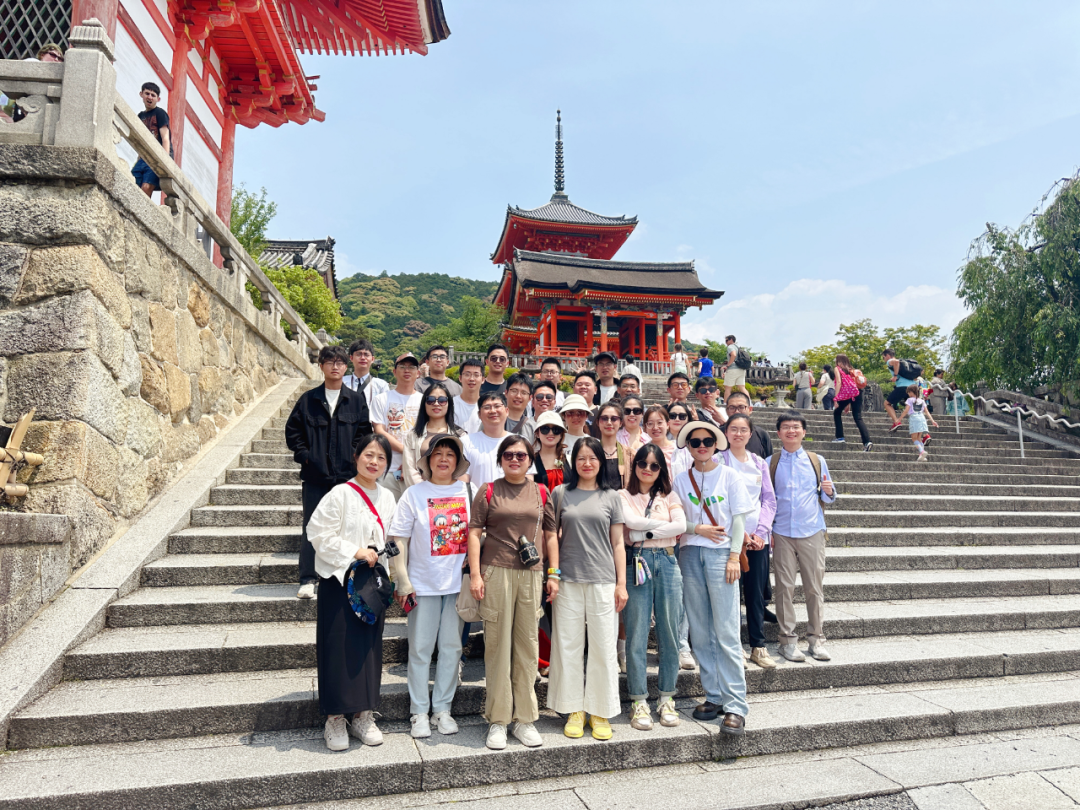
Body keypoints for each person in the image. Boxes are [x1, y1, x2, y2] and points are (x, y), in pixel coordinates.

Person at [306, 433, 396, 751]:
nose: (374, 462)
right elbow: (317, 532)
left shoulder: (387, 497)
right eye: (369, 454)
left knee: (369, 650)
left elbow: (391, 539)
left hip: (371, 584)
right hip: (339, 582)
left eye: (381, 457)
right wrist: (355, 551)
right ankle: (334, 718)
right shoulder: (340, 493)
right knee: (337, 648)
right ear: (356, 457)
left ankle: (363, 716)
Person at [468, 436, 558, 750]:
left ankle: (525, 719)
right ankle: (497, 719)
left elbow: (550, 535)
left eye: (521, 455)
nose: (515, 459)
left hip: (532, 575)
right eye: (509, 454)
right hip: (496, 572)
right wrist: (476, 574)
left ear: (530, 459)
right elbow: (474, 533)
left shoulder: (541, 491)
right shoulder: (488, 490)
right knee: (497, 646)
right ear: (500, 459)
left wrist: (553, 573)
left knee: (527, 646)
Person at [386, 435, 472, 739]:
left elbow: (479, 534)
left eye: (450, 454)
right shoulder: (414, 494)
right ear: (428, 460)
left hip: (457, 584)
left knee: (451, 648)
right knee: (421, 649)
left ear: (458, 461)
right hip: (422, 584)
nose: (444, 459)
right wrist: (402, 579)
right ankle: (419, 711)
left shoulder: (469, 491)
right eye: (438, 453)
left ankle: (442, 709)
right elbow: (399, 538)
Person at [544, 437, 627, 741]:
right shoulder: (560, 493)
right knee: (567, 646)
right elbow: (551, 536)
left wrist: (621, 583)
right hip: (568, 579)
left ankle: (600, 710)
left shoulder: (611, 497)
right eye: (581, 458)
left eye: (592, 458)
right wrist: (553, 573)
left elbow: (618, 542)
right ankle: (573, 709)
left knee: (604, 646)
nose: (587, 463)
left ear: (600, 462)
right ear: (573, 462)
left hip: (603, 580)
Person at [674, 421, 754, 734]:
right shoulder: (681, 479)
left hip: (722, 555)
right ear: (688, 446)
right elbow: (675, 519)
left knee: (726, 630)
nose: (702, 446)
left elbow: (738, 519)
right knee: (700, 628)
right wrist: (696, 529)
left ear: (716, 443)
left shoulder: (730, 475)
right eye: (695, 442)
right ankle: (714, 695)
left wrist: (734, 556)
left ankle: (736, 705)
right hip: (690, 553)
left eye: (707, 441)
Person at [285, 346, 373, 600]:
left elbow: (364, 434)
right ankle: (308, 578)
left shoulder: (355, 400)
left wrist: (354, 459)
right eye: (329, 362)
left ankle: (342, 574)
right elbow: (293, 432)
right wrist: (306, 456)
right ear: (321, 366)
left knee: (347, 526)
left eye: (340, 362)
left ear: (346, 366)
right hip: (315, 476)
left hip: (346, 478)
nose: (335, 366)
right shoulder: (308, 399)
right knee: (312, 526)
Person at [620, 444, 686, 731]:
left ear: (661, 470)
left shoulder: (670, 495)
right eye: (642, 463)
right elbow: (629, 523)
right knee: (636, 633)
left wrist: (641, 532)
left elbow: (680, 526)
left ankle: (667, 697)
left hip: (668, 562)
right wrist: (660, 526)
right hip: (638, 561)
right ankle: (638, 700)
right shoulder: (623, 495)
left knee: (669, 631)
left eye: (654, 465)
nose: (647, 469)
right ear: (634, 465)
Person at [770, 411, 837, 663]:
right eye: (786, 427)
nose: (791, 431)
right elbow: (766, 498)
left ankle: (816, 639)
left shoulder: (816, 460)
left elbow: (828, 494)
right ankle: (787, 641)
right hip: (781, 531)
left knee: (814, 588)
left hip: (812, 530)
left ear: (804, 432)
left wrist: (830, 491)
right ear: (779, 433)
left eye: (796, 427)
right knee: (784, 588)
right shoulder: (770, 462)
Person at [720, 414, 777, 670]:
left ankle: (758, 646)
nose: (738, 434)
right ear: (726, 432)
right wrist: (739, 532)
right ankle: (735, 647)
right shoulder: (718, 461)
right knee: (731, 593)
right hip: (729, 539)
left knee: (755, 594)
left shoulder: (759, 463)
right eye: (733, 429)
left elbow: (769, 500)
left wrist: (761, 532)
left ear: (750, 434)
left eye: (743, 430)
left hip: (757, 540)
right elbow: (720, 501)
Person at [370, 353, 423, 498]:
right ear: (394, 371)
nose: (407, 370)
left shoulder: (425, 401)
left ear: (418, 373)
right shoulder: (381, 399)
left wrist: (410, 460)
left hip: (417, 469)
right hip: (388, 468)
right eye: (402, 367)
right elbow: (379, 431)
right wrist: (407, 452)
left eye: (411, 367)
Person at [401, 382, 466, 487]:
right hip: (420, 493)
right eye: (430, 400)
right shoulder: (413, 435)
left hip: (451, 493)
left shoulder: (460, 435)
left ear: (449, 404)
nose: (436, 404)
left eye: (442, 400)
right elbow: (410, 470)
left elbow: (463, 469)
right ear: (424, 404)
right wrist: (426, 492)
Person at [461, 392, 512, 488]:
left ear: (507, 411)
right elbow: (462, 483)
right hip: (478, 497)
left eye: (497, 406)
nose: (493, 411)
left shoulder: (519, 442)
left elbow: (526, 480)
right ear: (479, 414)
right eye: (487, 407)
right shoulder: (466, 442)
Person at [131, 82, 171, 197]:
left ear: (158, 99)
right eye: (147, 93)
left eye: (153, 95)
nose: (150, 97)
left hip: (157, 157)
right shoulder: (141, 116)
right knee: (133, 183)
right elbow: (140, 140)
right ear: (141, 94)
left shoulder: (160, 113)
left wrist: (164, 160)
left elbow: (165, 138)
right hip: (144, 158)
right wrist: (139, 157)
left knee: (146, 187)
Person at [832, 353, 872, 452]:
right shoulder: (851, 370)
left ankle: (840, 437)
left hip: (846, 395)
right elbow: (852, 386)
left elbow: (839, 383)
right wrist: (848, 404)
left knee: (837, 413)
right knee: (858, 417)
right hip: (857, 393)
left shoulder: (837, 368)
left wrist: (836, 398)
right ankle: (867, 442)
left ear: (838, 361)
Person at [722, 392, 773, 458]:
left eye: (741, 407)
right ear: (726, 411)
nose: (737, 411)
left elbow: (769, 461)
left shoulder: (761, 434)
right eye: (732, 407)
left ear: (750, 409)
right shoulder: (718, 434)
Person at [343, 339, 390, 411]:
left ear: (372, 359)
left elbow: (386, 409)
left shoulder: (381, 385)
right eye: (358, 354)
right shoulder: (342, 382)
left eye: (366, 355)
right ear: (351, 358)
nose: (362, 358)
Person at [595, 401, 631, 489]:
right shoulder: (592, 451)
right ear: (598, 422)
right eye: (604, 418)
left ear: (621, 423)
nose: (609, 422)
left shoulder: (629, 454)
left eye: (614, 419)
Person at [882, 348, 919, 432]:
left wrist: (895, 376)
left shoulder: (890, 361)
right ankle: (925, 434)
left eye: (883, 357)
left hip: (903, 387)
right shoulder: (905, 364)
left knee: (887, 403)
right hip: (913, 386)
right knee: (914, 409)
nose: (884, 359)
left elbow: (896, 362)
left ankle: (896, 422)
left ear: (887, 355)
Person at [532, 410, 567, 488]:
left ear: (561, 434)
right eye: (545, 429)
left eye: (556, 429)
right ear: (537, 433)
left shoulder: (569, 460)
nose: (550, 433)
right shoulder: (530, 461)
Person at [903, 384, 937, 462]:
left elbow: (906, 410)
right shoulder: (922, 401)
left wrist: (899, 419)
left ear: (912, 392)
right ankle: (921, 456)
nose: (908, 394)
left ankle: (922, 451)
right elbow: (927, 412)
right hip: (922, 419)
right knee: (919, 438)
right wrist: (932, 421)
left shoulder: (909, 400)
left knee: (914, 438)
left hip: (914, 419)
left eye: (909, 392)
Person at [453, 358, 484, 426]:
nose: (471, 379)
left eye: (476, 375)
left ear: (483, 379)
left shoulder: (486, 406)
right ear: (460, 378)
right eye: (467, 374)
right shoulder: (451, 405)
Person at [720, 335, 750, 401]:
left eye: (727, 340)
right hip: (741, 369)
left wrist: (727, 365)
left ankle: (725, 404)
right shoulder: (738, 347)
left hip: (733, 369)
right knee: (742, 388)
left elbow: (733, 354)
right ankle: (749, 403)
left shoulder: (730, 347)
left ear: (731, 340)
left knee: (728, 388)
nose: (726, 342)